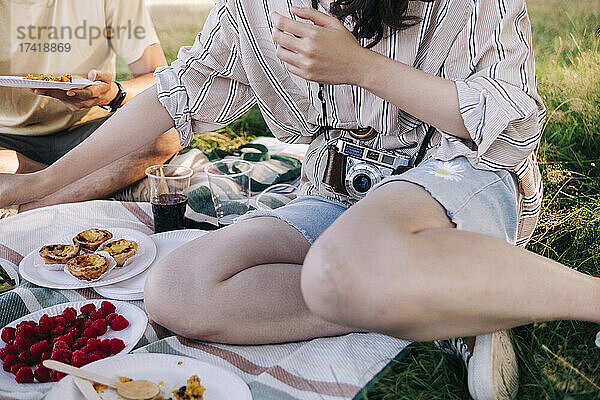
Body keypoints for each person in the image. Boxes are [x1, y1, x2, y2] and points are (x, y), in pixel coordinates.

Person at [1, 1, 598, 399]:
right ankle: (447, 310)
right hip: (338, 194)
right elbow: (172, 97)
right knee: (177, 288)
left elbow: (512, 122)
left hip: (456, 173)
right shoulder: (252, 9)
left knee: (341, 270)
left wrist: (361, 67)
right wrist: (36, 186)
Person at [0, 0, 181, 214]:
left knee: (166, 132)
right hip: (8, 140)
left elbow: (158, 83)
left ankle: (34, 205)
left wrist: (113, 94)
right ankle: (93, 186)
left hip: (92, 137)